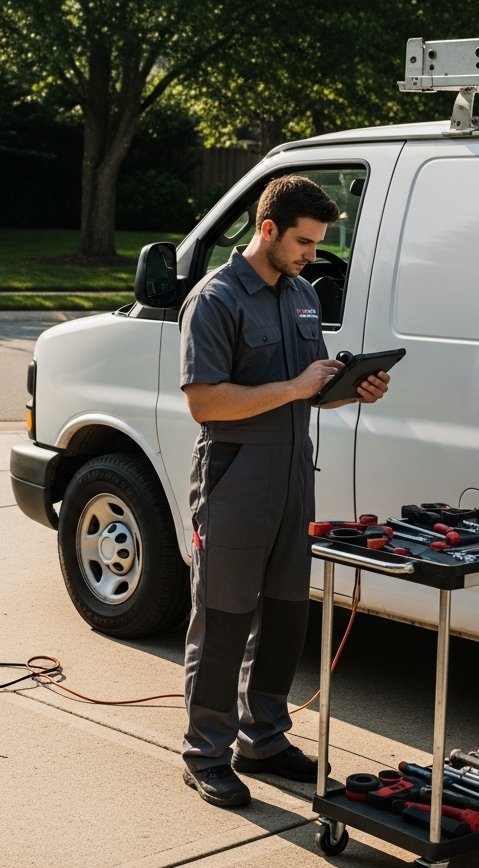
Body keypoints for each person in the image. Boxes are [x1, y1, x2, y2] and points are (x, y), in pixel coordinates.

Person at [178, 174, 390, 807]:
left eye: (318, 243)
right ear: (267, 229)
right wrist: (298, 388)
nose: (311, 255)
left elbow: (310, 388)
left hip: (295, 472)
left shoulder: (299, 293)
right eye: (303, 242)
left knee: (285, 617)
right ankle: (205, 754)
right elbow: (205, 401)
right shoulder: (215, 300)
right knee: (224, 620)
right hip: (236, 478)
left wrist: (351, 387)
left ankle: (263, 740)